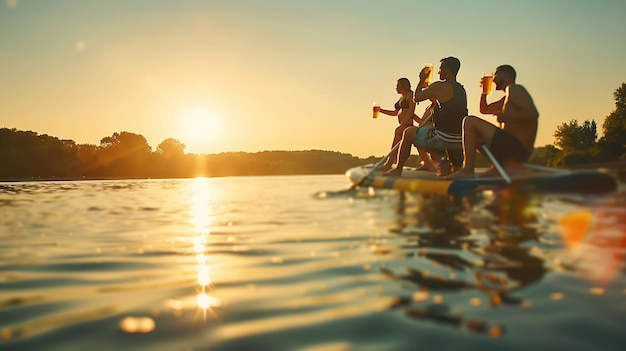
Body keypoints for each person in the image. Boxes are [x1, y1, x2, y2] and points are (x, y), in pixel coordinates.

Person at [447, 65, 539, 179]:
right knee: (476, 136)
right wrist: (484, 92)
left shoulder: (514, 89)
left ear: (505, 75)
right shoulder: (506, 99)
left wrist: (506, 117)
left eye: (495, 75)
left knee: (469, 121)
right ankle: (498, 168)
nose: (493, 79)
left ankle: (468, 170)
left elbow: (533, 113)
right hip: (511, 151)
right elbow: (484, 109)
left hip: (516, 149)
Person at [385, 57, 468, 176]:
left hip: (444, 137)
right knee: (428, 134)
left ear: (447, 71)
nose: (439, 72)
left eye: (440, 69)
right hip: (460, 139)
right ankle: (444, 163)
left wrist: (421, 80)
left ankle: (398, 170)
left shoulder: (439, 86)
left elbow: (416, 97)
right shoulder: (461, 89)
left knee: (408, 133)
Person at [374, 78, 418, 171]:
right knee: (397, 145)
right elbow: (395, 113)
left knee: (397, 145)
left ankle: (389, 164)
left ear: (403, 86)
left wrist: (402, 125)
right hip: (402, 126)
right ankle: (391, 164)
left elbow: (411, 112)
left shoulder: (410, 95)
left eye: (398, 85)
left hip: (406, 126)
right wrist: (381, 110)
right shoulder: (401, 97)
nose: (396, 88)